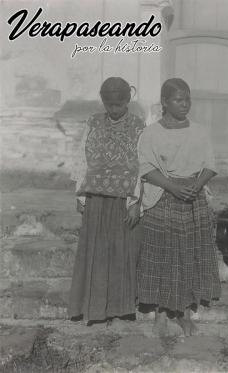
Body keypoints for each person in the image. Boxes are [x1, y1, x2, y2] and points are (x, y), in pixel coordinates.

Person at [136, 78, 221, 337]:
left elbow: (209, 164)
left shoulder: (199, 131)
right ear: (164, 102)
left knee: (186, 257)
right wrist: (173, 187)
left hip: (192, 199)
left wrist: (197, 184)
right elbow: (146, 168)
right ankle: (161, 315)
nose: (185, 104)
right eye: (178, 99)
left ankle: (184, 314)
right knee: (162, 256)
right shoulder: (151, 133)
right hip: (163, 196)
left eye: (187, 99)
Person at [69, 77, 144, 325]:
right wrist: (79, 192)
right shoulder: (93, 122)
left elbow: (142, 165)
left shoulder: (138, 126)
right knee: (96, 253)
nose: (114, 109)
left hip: (123, 200)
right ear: (103, 102)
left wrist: (135, 202)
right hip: (96, 199)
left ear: (127, 101)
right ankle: (94, 308)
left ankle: (119, 309)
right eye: (109, 105)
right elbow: (82, 156)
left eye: (119, 105)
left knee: (121, 252)